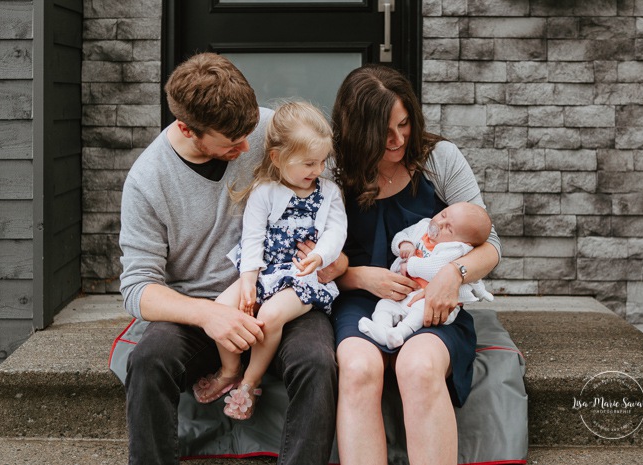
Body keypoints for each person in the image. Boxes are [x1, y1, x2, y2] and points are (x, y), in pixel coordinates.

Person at [119, 53, 338, 465]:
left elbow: (328, 183)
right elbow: (136, 288)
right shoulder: (148, 181)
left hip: (284, 292)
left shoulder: (267, 128)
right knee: (148, 361)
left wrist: (336, 257)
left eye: (249, 133)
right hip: (203, 311)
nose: (246, 147)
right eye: (231, 143)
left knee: (317, 361)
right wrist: (208, 315)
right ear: (187, 128)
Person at [312, 64, 502, 465]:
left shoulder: (440, 159)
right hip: (360, 299)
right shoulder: (332, 171)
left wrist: (452, 274)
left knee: (418, 366)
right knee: (359, 367)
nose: (398, 140)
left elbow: (490, 245)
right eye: (383, 132)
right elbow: (310, 258)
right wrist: (357, 276)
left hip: (431, 301)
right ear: (357, 130)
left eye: (404, 124)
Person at [191, 101, 347, 421]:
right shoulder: (264, 191)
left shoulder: (328, 193)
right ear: (277, 158)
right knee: (221, 308)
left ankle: (250, 383)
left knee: (270, 316)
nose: (317, 170)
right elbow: (252, 238)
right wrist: (248, 280)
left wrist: (320, 256)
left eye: (322, 161)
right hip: (264, 272)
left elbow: (336, 230)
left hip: (306, 275)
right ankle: (231, 368)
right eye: (308, 163)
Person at [358, 202, 494, 350]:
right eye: (443, 214)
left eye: (449, 229)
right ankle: (382, 330)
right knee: (384, 305)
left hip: (433, 300)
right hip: (407, 294)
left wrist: (409, 265)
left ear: (464, 242)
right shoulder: (423, 226)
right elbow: (402, 235)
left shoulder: (456, 248)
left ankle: (400, 332)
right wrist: (404, 244)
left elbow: (435, 268)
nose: (440, 223)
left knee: (421, 311)